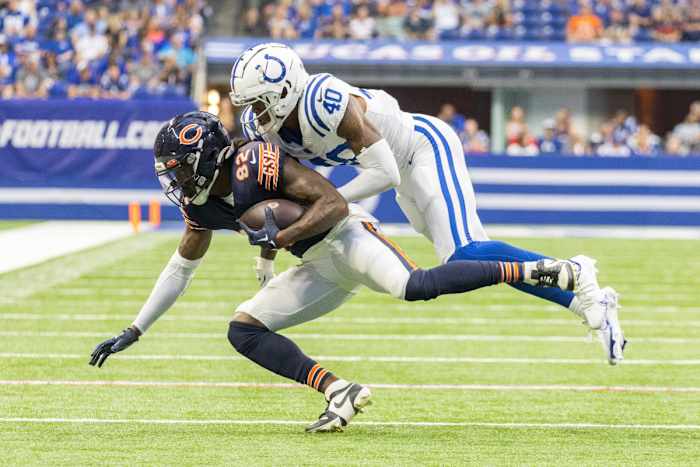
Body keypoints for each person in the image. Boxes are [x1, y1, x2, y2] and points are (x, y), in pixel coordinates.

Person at [88, 111, 581, 432]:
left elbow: (335, 201)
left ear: (205, 157)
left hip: (347, 234)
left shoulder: (254, 162)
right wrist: (136, 328)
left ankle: (535, 271)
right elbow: (180, 269)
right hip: (318, 265)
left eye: (178, 167)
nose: (174, 179)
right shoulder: (201, 208)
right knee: (243, 330)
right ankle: (337, 390)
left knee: (415, 286)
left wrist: (277, 240)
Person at [230, 43, 626, 364]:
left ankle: (576, 274)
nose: (254, 114)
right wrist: (268, 253)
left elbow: (384, 173)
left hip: (422, 148)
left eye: (258, 102)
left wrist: (330, 203)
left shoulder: (324, 100)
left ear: (284, 91)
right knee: (469, 259)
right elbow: (296, 188)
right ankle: (583, 298)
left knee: (466, 253)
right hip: (400, 166)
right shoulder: (277, 130)